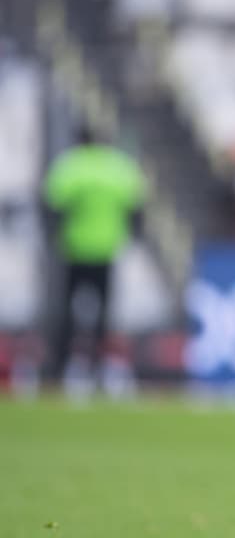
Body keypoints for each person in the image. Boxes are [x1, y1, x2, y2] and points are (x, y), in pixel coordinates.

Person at [42, 124, 147, 389]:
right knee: (104, 314)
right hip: (107, 250)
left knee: (67, 312)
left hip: (74, 249)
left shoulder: (70, 166)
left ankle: (62, 368)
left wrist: (54, 237)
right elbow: (136, 209)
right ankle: (100, 367)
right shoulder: (118, 168)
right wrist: (132, 238)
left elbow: (53, 207)